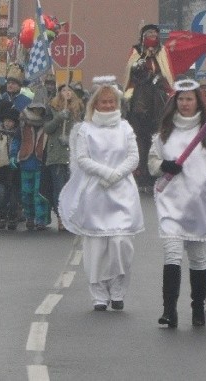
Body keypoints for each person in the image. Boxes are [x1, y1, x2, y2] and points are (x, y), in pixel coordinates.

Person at [149, 79, 206, 328]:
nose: (185, 103)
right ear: (174, 101)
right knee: (172, 254)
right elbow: (152, 161)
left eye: (189, 99)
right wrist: (163, 166)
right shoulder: (165, 131)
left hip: (199, 204)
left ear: (197, 101)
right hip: (172, 203)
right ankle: (169, 311)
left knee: (199, 259)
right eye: (181, 99)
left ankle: (198, 308)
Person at [59, 83, 144, 311]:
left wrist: (116, 175)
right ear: (95, 104)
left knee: (121, 243)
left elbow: (133, 156)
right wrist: (105, 173)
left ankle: (118, 290)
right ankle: (98, 294)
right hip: (95, 191)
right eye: (103, 101)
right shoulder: (86, 130)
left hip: (122, 190)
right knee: (96, 247)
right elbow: (82, 158)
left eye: (111, 102)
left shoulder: (125, 128)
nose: (107, 105)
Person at [124, 24, 174, 189]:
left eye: (154, 33)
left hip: (158, 84)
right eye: (149, 33)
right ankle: (126, 124)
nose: (152, 35)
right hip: (138, 83)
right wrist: (141, 64)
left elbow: (166, 71)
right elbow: (130, 70)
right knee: (127, 100)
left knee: (167, 99)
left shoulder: (162, 51)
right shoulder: (136, 50)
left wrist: (158, 77)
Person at [43, 84, 83, 231]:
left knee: (73, 187)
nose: (67, 93)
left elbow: (84, 129)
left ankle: (72, 216)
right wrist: (58, 118)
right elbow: (47, 128)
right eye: (64, 90)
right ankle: (61, 217)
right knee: (59, 188)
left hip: (73, 154)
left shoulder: (79, 109)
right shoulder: (52, 108)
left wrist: (72, 138)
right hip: (57, 154)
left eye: (69, 90)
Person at [12, 103, 51, 230]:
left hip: (41, 163)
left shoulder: (47, 125)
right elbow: (17, 140)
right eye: (35, 109)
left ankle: (41, 219)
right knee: (26, 193)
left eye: (40, 109)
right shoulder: (23, 125)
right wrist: (13, 155)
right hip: (26, 161)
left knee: (39, 194)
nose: (37, 111)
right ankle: (29, 216)